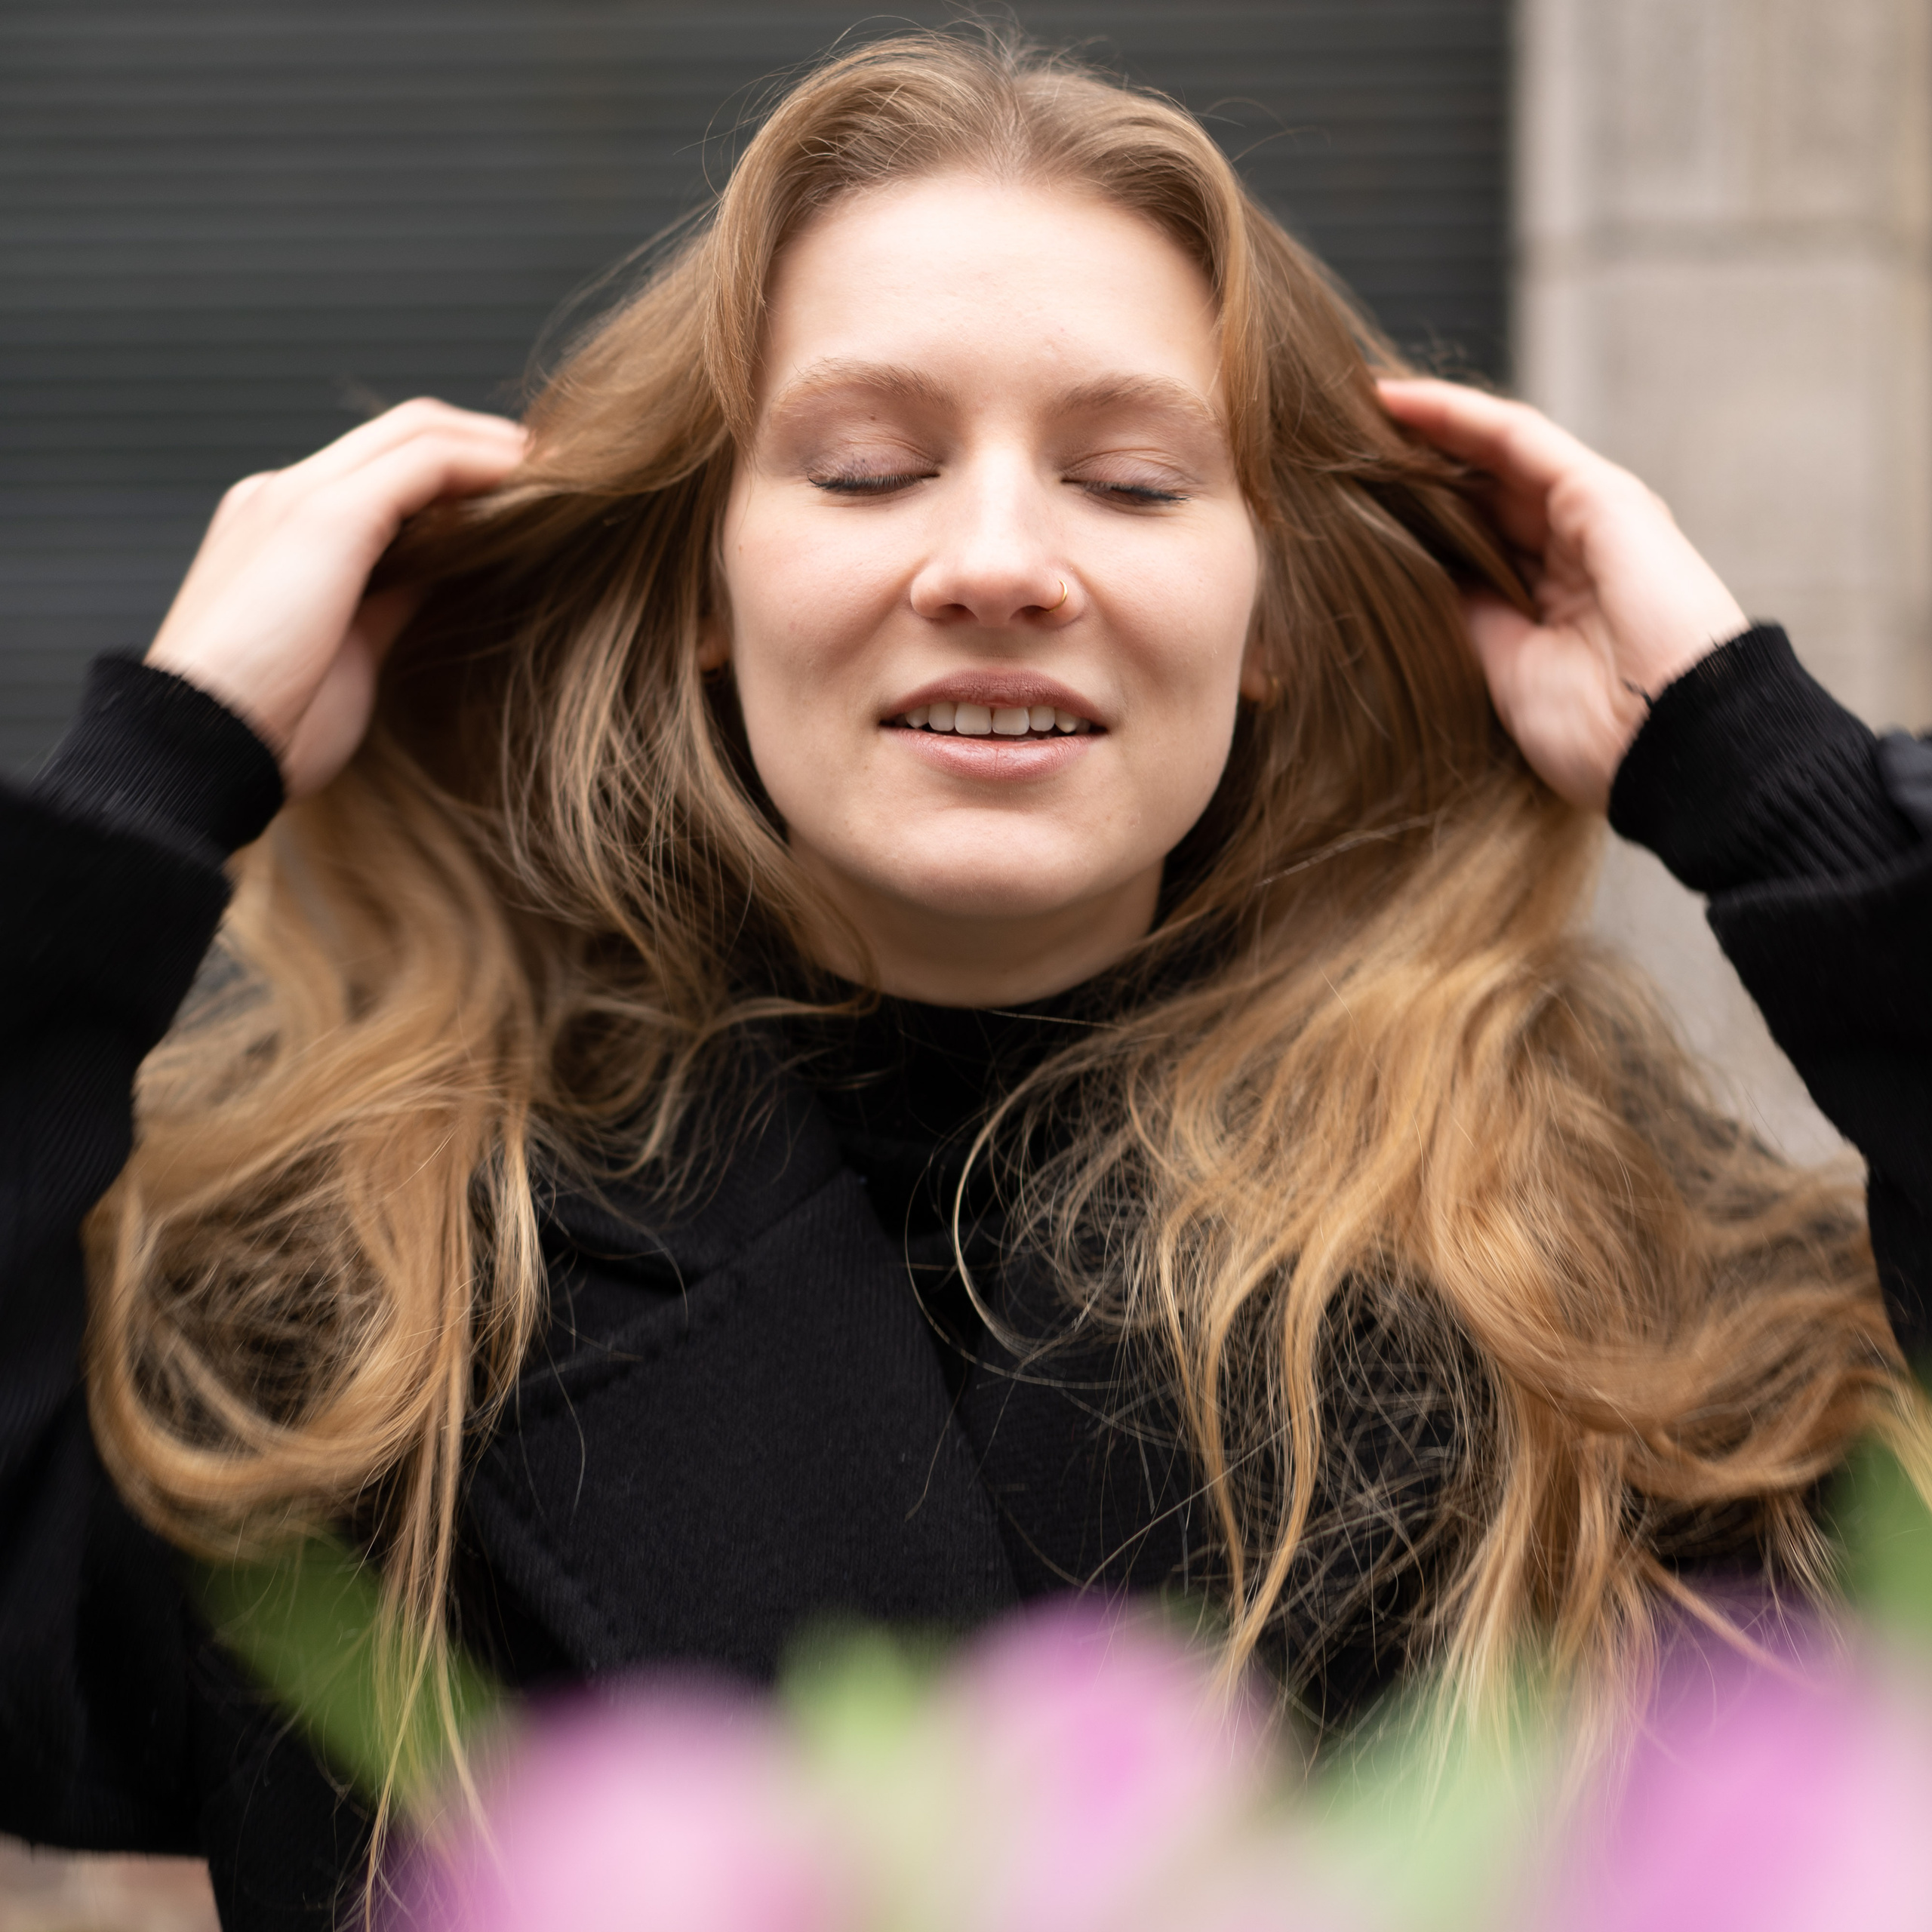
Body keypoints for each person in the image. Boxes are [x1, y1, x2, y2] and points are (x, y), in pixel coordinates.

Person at [4, 29, 1929, 1930]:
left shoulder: (1606, 1294)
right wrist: (155, 772)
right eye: (863, 469)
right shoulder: (353, 1292)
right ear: (700, 590)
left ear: (1270, 620)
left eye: (1133, 482)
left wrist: (1772, 787)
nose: (999, 561)